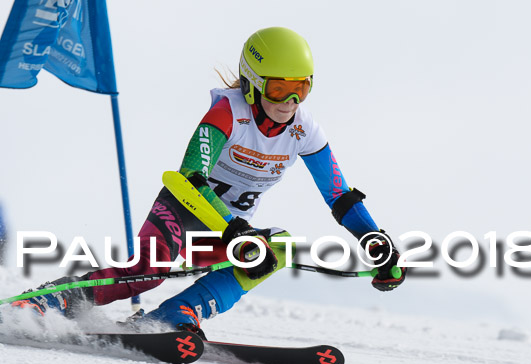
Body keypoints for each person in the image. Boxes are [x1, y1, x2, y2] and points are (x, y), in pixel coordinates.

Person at [13, 27, 405, 333]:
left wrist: (375, 240)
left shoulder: (305, 131)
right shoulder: (227, 112)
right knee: (147, 273)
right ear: (252, 82)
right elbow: (189, 178)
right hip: (184, 211)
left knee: (277, 248)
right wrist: (235, 230)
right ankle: (51, 301)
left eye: (301, 88)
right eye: (280, 88)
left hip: (229, 232)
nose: (290, 102)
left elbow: (338, 195)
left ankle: (175, 314)